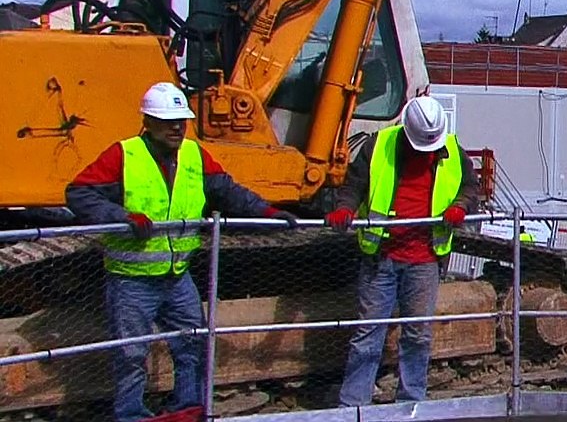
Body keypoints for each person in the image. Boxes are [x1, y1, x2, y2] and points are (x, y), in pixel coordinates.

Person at [65, 81, 298, 422]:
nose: (177, 127)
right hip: (132, 279)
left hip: (176, 276)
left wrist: (268, 213)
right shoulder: (124, 155)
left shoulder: (193, 155)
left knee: (193, 342)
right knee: (131, 354)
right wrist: (122, 217)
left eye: (181, 120)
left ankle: (187, 406)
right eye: (168, 120)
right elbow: (79, 193)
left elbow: (228, 191)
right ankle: (130, 415)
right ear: (147, 122)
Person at [325, 95, 481, 406]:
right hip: (382, 255)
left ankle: (411, 401)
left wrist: (459, 207)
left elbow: (468, 187)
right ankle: (354, 403)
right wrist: (344, 208)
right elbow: (354, 185)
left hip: (424, 259)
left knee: (418, 335)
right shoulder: (378, 146)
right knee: (368, 333)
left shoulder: (452, 151)